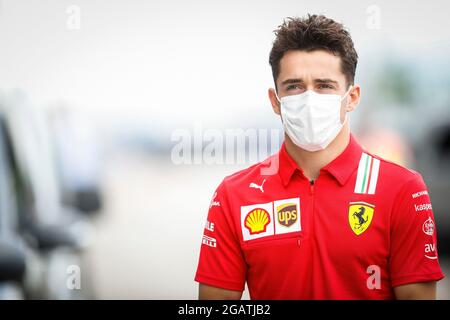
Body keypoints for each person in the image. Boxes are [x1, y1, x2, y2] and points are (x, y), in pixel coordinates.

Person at [194, 14, 444, 299]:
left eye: (324, 85)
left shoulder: (402, 190)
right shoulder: (234, 195)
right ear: (275, 101)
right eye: (295, 86)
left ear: (352, 97)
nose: (309, 99)